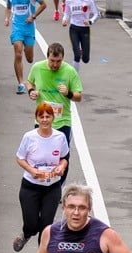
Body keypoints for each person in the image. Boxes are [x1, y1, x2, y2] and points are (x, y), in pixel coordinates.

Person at [13, 103, 69, 252]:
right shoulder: (29, 137)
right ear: (36, 118)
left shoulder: (60, 137)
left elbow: (64, 157)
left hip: (52, 188)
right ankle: (26, 234)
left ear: (52, 118)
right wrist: (31, 170)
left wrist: (61, 167)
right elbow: (19, 158)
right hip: (31, 186)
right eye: (41, 116)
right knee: (31, 224)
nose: (45, 120)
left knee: (46, 226)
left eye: (48, 116)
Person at [26, 43, 82, 182]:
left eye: (58, 61)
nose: (55, 65)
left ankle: (58, 187)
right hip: (42, 120)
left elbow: (79, 96)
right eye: (52, 61)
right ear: (47, 57)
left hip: (62, 121)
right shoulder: (37, 68)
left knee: (62, 158)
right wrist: (31, 91)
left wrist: (68, 93)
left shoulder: (69, 71)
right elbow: (29, 82)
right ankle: (42, 181)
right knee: (39, 154)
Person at [5, 0, 46, 94]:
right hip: (17, 29)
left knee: (30, 59)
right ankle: (21, 83)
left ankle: (26, 48)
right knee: (18, 54)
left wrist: (33, 16)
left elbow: (43, 5)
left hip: (29, 29)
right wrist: (7, 18)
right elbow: (8, 7)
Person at [62, 0, 100, 72]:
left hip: (85, 29)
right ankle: (75, 78)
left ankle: (83, 51)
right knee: (77, 55)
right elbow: (66, 13)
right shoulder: (69, 1)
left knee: (85, 59)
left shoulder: (89, 1)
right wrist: (64, 19)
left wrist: (90, 21)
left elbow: (97, 14)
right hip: (74, 29)